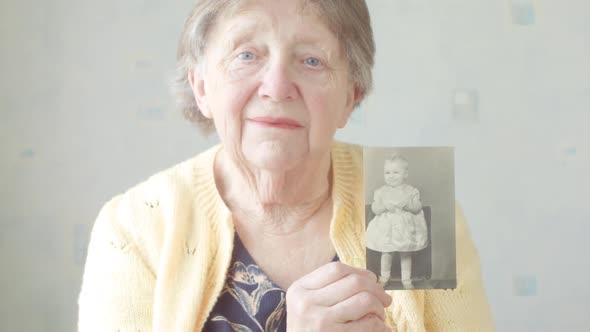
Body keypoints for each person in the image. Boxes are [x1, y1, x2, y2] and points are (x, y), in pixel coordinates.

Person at [77, 0, 494, 331]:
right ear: (201, 86)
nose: (276, 87)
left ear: (352, 95)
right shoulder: (135, 226)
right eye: (246, 55)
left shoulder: (413, 199)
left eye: (311, 60)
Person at [366, 155, 428, 290]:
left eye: (396, 172)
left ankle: (406, 279)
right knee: (386, 253)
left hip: (404, 230)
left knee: (405, 253)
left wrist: (407, 206)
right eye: (387, 172)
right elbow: (375, 209)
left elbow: (417, 208)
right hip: (387, 230)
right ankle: (384, 277)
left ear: (405, 174)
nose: (391, 176)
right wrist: (384, 207)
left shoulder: (411, 191)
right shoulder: (381, 192)